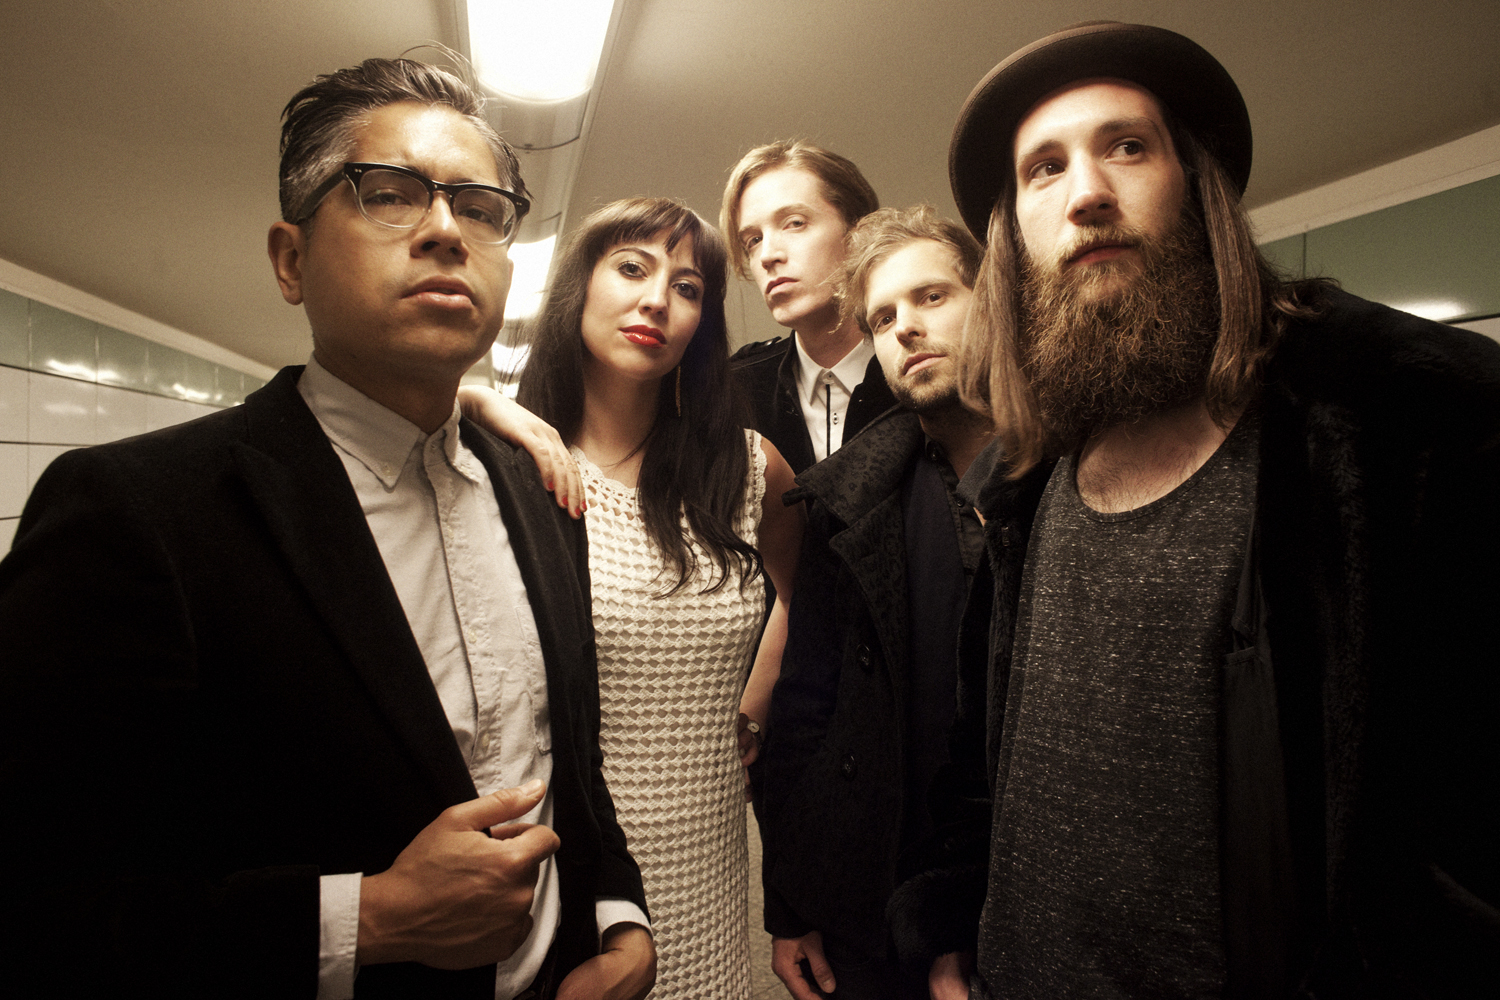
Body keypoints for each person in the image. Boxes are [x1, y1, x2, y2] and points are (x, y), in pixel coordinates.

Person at [0, 58, 654, 1000]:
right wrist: (370, 918)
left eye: (481, 208)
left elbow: (570, 756)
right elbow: (37, 903)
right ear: (290, 260)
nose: (445, 229)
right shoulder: (137, 513)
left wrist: (619, 917)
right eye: (388, 194)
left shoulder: (538, 487)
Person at [889, 21, 1500, 999]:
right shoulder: (1021, 485)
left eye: (1128, 146)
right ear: (1015, 243)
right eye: (1045, 169)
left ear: (1195, 185)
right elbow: (983, 754)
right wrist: (952, 922)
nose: (1088, 191)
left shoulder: (1382, 441)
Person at [466, 197, 802, 998]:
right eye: (631, 268)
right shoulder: (510, 467)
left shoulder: (749, 469)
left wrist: (753, 705)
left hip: (708, 860)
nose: (657, 299)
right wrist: (470, 399)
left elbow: (802, 598)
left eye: (687, 288)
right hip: (566, 858)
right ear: (579, 287)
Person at [760, 205, 994, 1000]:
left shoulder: (1073, 481)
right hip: (873, 898)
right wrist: (791, 903)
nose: (907, 329)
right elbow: (806, 706)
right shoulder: (850, 502)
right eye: (884, 318)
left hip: (1026, 890)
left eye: (932, 297)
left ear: (991, 302)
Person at [721, 141, 897, 474]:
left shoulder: (920, 369)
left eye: (794, 223)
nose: (767, 255)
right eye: (753, 240)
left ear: (859, 234)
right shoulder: (735, 392)